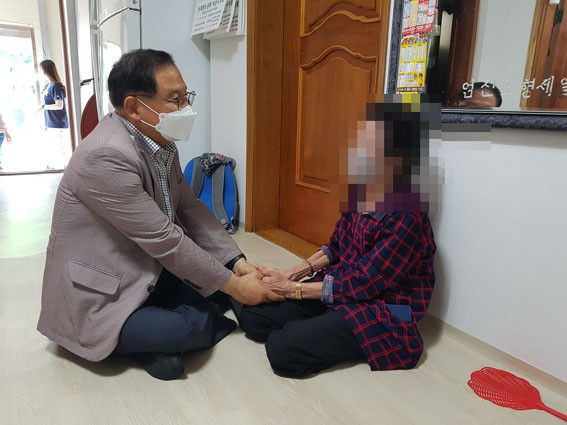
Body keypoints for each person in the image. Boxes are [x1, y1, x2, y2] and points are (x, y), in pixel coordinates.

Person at [37, 49, 282, 381]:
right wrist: (235, 287)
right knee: (190, 322)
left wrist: (237, 263)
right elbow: (166, 240)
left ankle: (157, 338)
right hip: (98, 293)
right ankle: (150, 337)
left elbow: (190, 208)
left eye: (186, 96)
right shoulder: (106, 155)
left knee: (216, 284)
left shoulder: (160, 141)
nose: (186, 108)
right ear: (134, 107)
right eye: (175, 99)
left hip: (143, 266)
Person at [235, 94, 438, 378]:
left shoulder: (407, 213)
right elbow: (336, 246)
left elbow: (366, 282)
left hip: (385, 307)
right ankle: (328, 320)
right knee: (255, 318)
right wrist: (291, 273)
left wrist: (293, 290)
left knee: (282, 348)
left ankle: (340, 328)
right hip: (343, 287)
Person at [38, 59, 70, 169]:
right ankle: (56, 167)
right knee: (55, 147)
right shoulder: (48, 85)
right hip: (51, 123)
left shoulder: (55, 86)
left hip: (58, 123)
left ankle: (63, 169)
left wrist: (44, 107)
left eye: (41, 70)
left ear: (46, 71)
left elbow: (59, 105)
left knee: (61, 148)